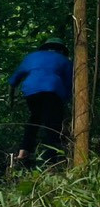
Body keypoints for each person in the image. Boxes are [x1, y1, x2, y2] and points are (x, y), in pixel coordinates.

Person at [11, 37, 71, 167]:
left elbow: (16, 76)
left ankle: (23, 152)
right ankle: (51, 161)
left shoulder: (32, 57)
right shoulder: (64, 60)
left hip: (31, 91)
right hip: (52, 90)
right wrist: (66, 99)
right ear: (61, 50)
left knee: (35, 119)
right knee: (52, 125)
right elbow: (69, 83)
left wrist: (13, 85)